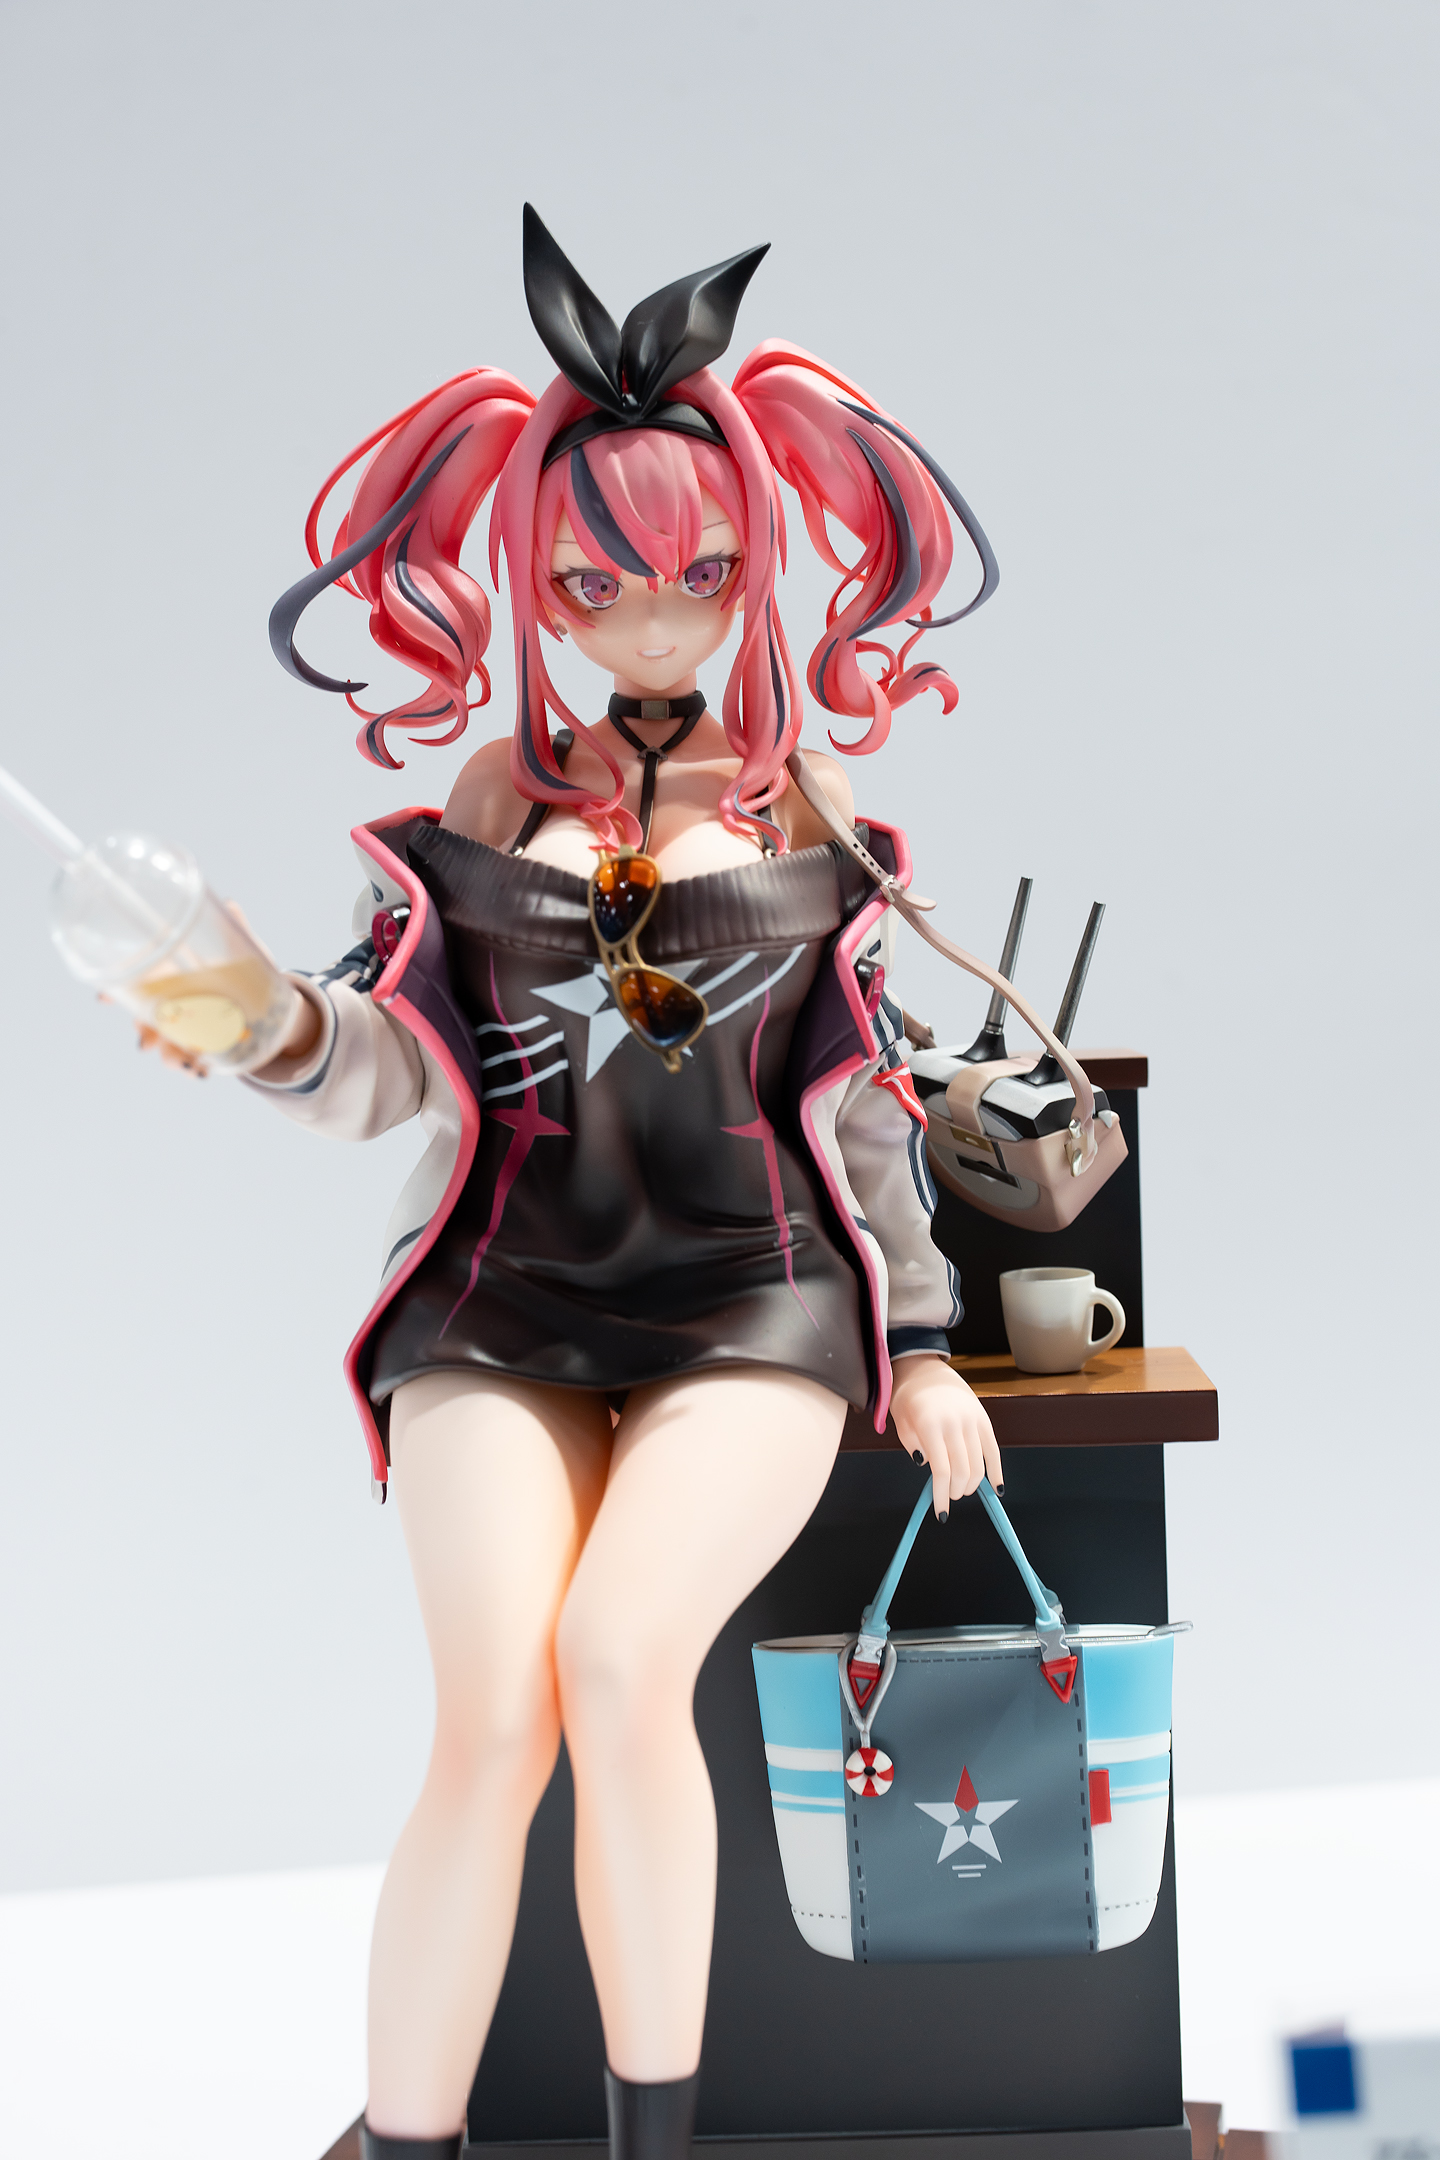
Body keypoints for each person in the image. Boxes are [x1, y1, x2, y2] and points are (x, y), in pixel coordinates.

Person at [163, 208, 1009, 2160]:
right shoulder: (488, 803)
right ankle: (414, 2142)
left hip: (754, 1295)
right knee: (490, 1717)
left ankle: (651, 2145)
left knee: (622, 1664)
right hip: (504, 1293)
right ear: (533, 580)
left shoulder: (804, 808)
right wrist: (255, 1022)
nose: (649, 623)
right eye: (596, 581)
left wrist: (925, 1339)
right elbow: (391, 1067)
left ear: (757, 564)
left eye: (699, 576)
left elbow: (862, 1099)